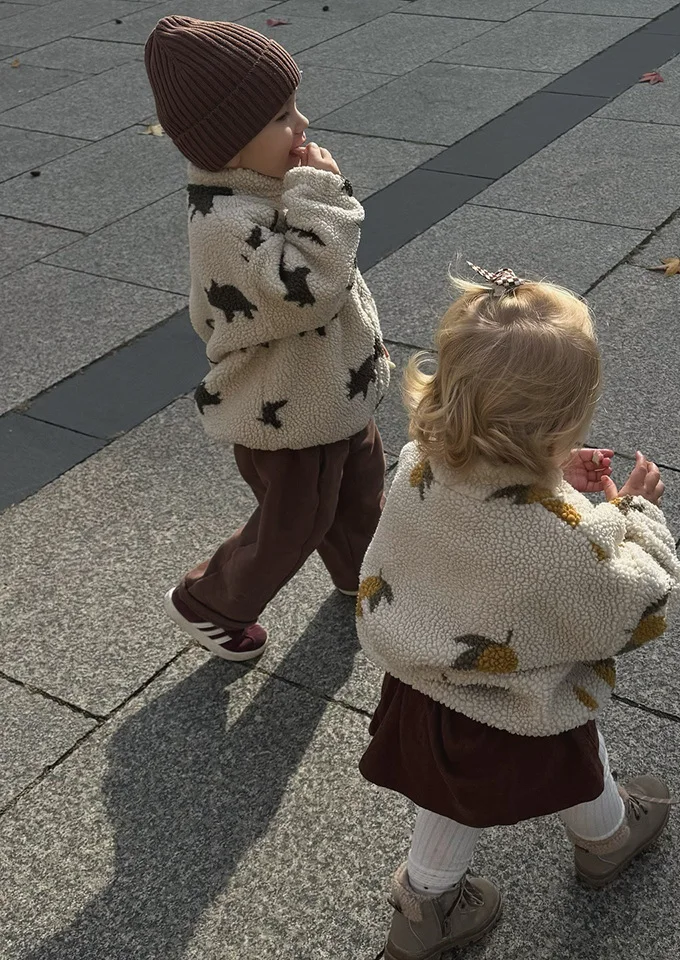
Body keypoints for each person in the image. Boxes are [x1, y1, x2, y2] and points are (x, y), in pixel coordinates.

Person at [355, 265, 680, 960]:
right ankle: (605, 840)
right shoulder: (561, 536)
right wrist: (632, 515)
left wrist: (556, 484)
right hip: (517, 706)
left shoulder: (420, 461)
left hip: (425, 687)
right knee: (571, 762)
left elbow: (486, 528)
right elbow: (639, 602)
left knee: (449, 800)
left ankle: (429, 904)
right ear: (560, 425)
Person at [143, 16, 390, 661]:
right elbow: (306, 286)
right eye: (283, 115)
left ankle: (367, 577)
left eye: (296, 106)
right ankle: (210, 601)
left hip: (328, 392)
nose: (302, 125)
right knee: (293, 522)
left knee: (360, 489)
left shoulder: (262, 187)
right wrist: (321, 195)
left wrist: (305, 193)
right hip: (283, 413)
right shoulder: (223, 221)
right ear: (227, 144)